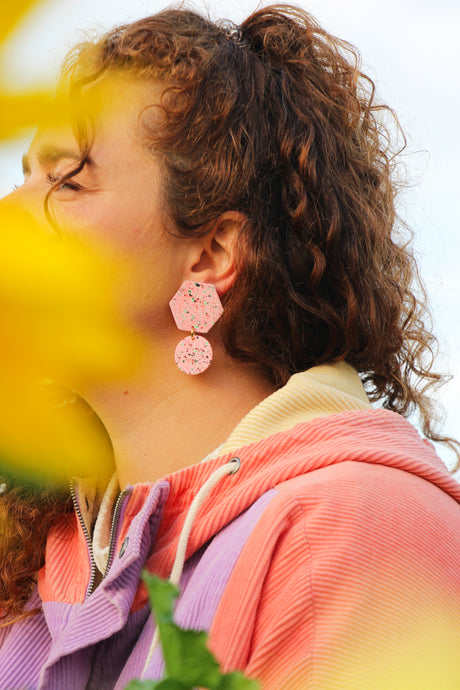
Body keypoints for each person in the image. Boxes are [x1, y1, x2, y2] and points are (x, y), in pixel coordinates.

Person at [1, 4, 459, 689]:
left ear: (212, 253)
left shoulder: (353, 536)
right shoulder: (38, 550)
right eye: (27, 174)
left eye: (68, 179)